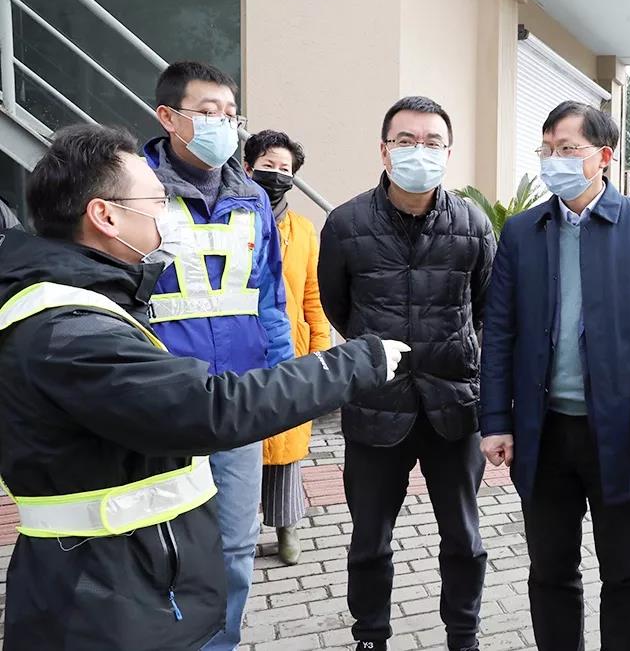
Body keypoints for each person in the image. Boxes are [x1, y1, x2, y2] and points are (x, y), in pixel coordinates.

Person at [0, 123, 409, 650]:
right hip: (105, 603)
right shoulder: (70, 331)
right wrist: (355, 363)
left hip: (123, 584)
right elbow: (210, 409)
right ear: (105, 215)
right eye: (158, 200)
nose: (169, 213)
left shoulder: (84, 301)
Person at [479, 101, 630, 650]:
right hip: (543, 431)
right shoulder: (523, 231)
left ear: (604, 156)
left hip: (622, 434)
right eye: (547, 149)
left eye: (568, 148)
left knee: (625, 574)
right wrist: (495, 420)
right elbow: (499, 331)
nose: (555, 159)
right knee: (551, 572)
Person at [318, 96, 496, 651]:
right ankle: (370, 636)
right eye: (406, 140)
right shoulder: (346, 224)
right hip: (376, 404)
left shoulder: (473, 223)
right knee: (370, 539)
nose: (420, 151)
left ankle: (463, 635)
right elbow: (337, 306)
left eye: (432, 142)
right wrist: (376, 356)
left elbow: (486, 307)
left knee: (463, 538)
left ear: (448, 151)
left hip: (454, 405)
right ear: (384, 149)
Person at [141, 61, 294, 649]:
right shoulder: (135, 192)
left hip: (240, 402)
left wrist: (282, 383)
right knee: (158, 545)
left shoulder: (252, 198)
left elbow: (270, 297)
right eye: (207, 113)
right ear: (168, 116)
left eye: (230, 115)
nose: (222, 124)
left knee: (235, 545)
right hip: (162, 404)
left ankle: (219, 643)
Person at [244, 130, 329, 565]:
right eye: (268, 166)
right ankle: (239, 530)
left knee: (286, 446)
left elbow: (313, 294)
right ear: (247, 168)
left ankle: (286, 527)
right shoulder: (232, 221)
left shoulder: (304, 230)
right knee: (242, 443)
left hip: (290, 351)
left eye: (285, 169)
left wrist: (320, 350)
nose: (276, 175)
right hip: (240, 352)